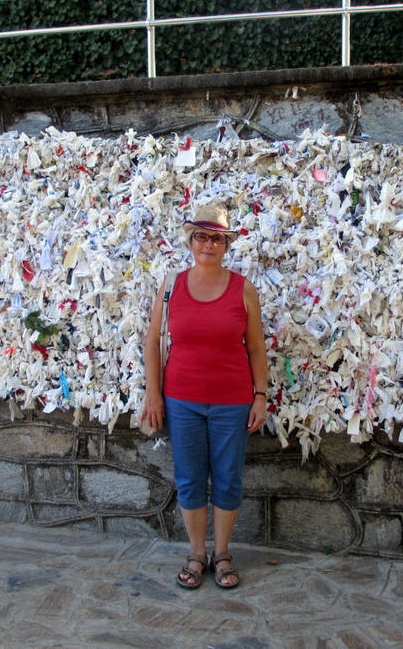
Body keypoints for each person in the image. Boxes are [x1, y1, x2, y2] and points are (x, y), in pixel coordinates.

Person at [140, 203, 268, 590]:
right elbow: (153, 341)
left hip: (232, 401)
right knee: (190, 478)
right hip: (181, 400)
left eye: (216, 238)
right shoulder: (171, 285)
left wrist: (260, 396)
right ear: (191, 241)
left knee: (228, 478)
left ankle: (223, 553)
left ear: (227, 244)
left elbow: (257, 349)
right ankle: (197, 552)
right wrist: (153, 394)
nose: (208, 244)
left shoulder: (243, 289)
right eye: (201, 236)